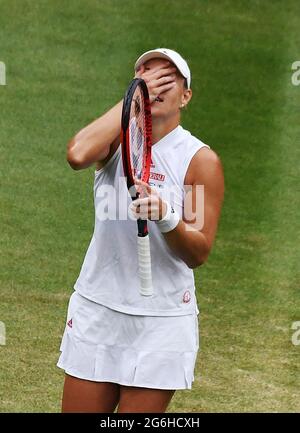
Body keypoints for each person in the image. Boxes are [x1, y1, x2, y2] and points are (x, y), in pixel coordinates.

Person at [57, 48, 224, 413]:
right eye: (147, 75)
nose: (156, 84)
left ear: (186, 95)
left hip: (161, 323)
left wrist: (166, 217)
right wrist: (131, 100)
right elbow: (77, 154)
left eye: (168, 79)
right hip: (97, 310)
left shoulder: (199, 160)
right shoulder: (115, 141)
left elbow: (197, 252)